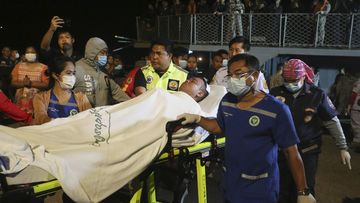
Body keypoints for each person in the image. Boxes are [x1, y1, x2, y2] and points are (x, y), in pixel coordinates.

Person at [177, 54, 316, 203]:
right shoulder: (227, 101)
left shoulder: (276, 109)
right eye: (230, 75)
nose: (233, 79)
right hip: (231, 181)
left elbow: (291, 152)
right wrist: (198, 119)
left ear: (254, 75)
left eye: (239, 74)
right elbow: (218, 127)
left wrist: (303, 191)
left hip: (260, 186)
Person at [270, 59, 351, 203]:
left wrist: (342, 146)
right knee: (281, 187)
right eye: (287, 80)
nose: (290, 84)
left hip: (307, 150)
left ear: (303, 77)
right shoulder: (275, 93)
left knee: (305, 187)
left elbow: (331, 121)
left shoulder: (316, 94)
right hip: (282, 151)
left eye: (294, 80)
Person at [32, 56, 91, 125]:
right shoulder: (40, 98)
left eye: (73, 73)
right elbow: (41, 118)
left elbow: (89, 120)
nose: (72, 77)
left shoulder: (82, 98)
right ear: (55, 75)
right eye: (68, 73)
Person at [73, 37, 130, 107]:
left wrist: (134, 104)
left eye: (106, 53)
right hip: (83, 116)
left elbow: (116, 91)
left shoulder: (103, 72)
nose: (105, 56)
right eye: (102, 53)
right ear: (92, 52)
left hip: (102, 115)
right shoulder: (76, 68)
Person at [11, 46, 49, 115]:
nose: (30, 54)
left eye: (32, 52)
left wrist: (30, 83)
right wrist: (24, 84)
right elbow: (13, 83)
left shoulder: (44, 67)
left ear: (37, 54)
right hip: (20, 102)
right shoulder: (18, 66)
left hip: (37, 103)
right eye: (27, 52)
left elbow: (46, 84)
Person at [349, 77, 360, 152]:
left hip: (357, 106)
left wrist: (350, 104)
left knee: (356, 125)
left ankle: (357, 144)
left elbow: (354, 94)